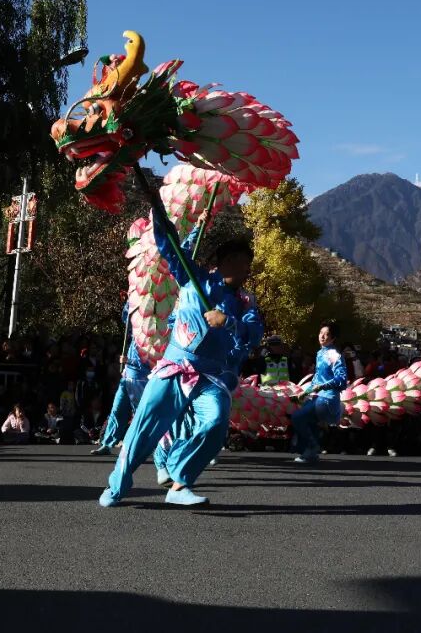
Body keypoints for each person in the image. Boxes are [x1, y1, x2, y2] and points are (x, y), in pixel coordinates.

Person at [100, 203, 262, 507]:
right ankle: (117, 487)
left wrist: (227, 322)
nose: (247, 270)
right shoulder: (194, 278)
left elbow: (253, 335)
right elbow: (172, 248)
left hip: (210, 376)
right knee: (142, 429)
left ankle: (179, 481)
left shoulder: (244, 302)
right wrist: (185, 221)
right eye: (242, 263)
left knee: (216, 420)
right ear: (224, 262)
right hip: (174, 366)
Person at [91, 303, 153, 455]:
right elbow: (126, 318)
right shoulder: (133, 333)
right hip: (127, 377)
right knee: (117, 409)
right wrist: (131, 303)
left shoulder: (154, 332)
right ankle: (107, 443)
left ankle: (146, 446)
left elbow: (152, 359)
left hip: (142, 379)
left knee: (141, 413)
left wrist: (129, 361)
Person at [290, 321, 348, 464]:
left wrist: (321, 387)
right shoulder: (320, 353)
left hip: (327, 399)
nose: (322, 337)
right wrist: (304, 393)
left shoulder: (333, 354)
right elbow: (316, 380)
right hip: (318, 397)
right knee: (307, 420)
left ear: (333, 338)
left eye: (327, 334)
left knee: (298, 417)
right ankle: (311, 453)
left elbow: (341, 379)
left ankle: (312, 446)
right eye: (321, 333)